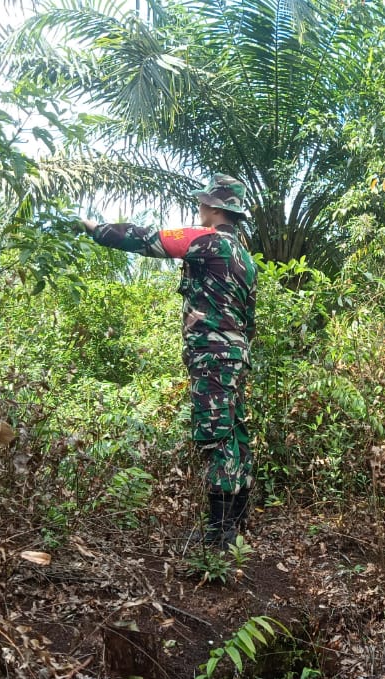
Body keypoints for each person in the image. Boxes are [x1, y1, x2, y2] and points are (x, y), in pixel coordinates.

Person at [77, 174, 258, 549]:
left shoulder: (208, 240)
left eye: (204, 202)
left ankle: (219, 537)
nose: (200, 207)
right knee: (235, 431)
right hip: (235, 354)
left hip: (212, 355)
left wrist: (96, 229)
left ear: (215, 208)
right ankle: (236, 522)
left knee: (216, 436)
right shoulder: (244, 257)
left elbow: (149, 240)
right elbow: (249, 317)